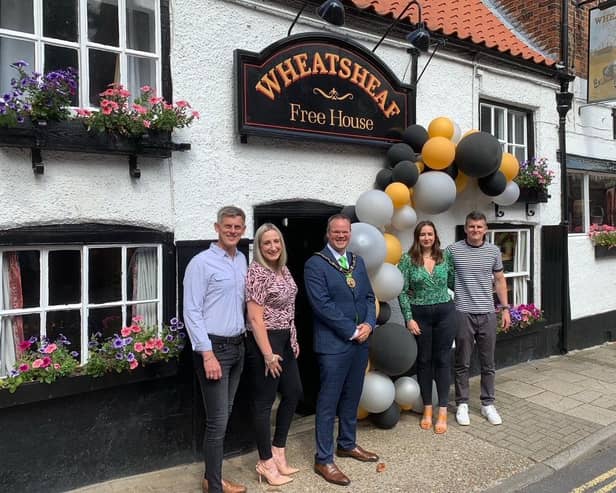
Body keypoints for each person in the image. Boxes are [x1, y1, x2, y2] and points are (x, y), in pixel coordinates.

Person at [304, 214, 378, 487]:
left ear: (350, 233)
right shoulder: (315, 264)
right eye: (336, 232)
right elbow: (321, 305)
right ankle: (323, 458)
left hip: (360, 342)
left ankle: (347, 443)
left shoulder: (357, 262)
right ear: (328, 234)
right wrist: (352, 330)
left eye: (344, 232)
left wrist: (369, 324)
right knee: (328, 402)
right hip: (334, 345)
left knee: (352, 396)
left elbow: (370, 297)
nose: (340, 236)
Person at [183, 206, 248, 493]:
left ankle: (213, 478)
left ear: (243, 230)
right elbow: (191, 311)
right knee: (217, 422)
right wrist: (207, 354)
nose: (233, 231)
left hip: (238, 347)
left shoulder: (242, 260)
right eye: (228, 226)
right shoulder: (201, 263)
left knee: (225, 415)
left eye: (238, 227)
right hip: (214, 350)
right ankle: (215, 486)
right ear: (217, 227)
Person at [245, 223, 303, 487]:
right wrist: (268, 354)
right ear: (259, 246)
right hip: (265, 343)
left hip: (285, 341)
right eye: (266, 243)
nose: (272, 247)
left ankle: (279, 451)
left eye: (276, 242)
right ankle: (265, 462)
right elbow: (255, 319)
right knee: (264, 402)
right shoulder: (257, 273)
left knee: (293, 393)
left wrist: (293, 338)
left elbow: (289, 308)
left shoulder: (283, 269)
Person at [447, 211, 511, 427]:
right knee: (462, 361)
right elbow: (441, 276)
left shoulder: (493, 251)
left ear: (486, 230)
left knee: (488, 362)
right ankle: (462, 403)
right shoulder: (453, 250)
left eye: (479, 227)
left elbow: (500, 280)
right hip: (462, 312)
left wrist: (505, 309)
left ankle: (487, 403)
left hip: (487, 313)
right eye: (471, 226)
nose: (475, 230)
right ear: (465, 229)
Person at [397, 221, 456, 434]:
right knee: (424, 360)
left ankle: (442, 410)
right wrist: (408, 318)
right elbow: (401, 290)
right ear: (417, 237)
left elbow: (453, 282)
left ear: (435, 236)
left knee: (442, 360)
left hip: (445, 313)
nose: (427, 238)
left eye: (430, 234)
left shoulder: (445, 257)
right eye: (423, 234)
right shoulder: (407, 260)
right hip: (420, 315)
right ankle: (427, 410)